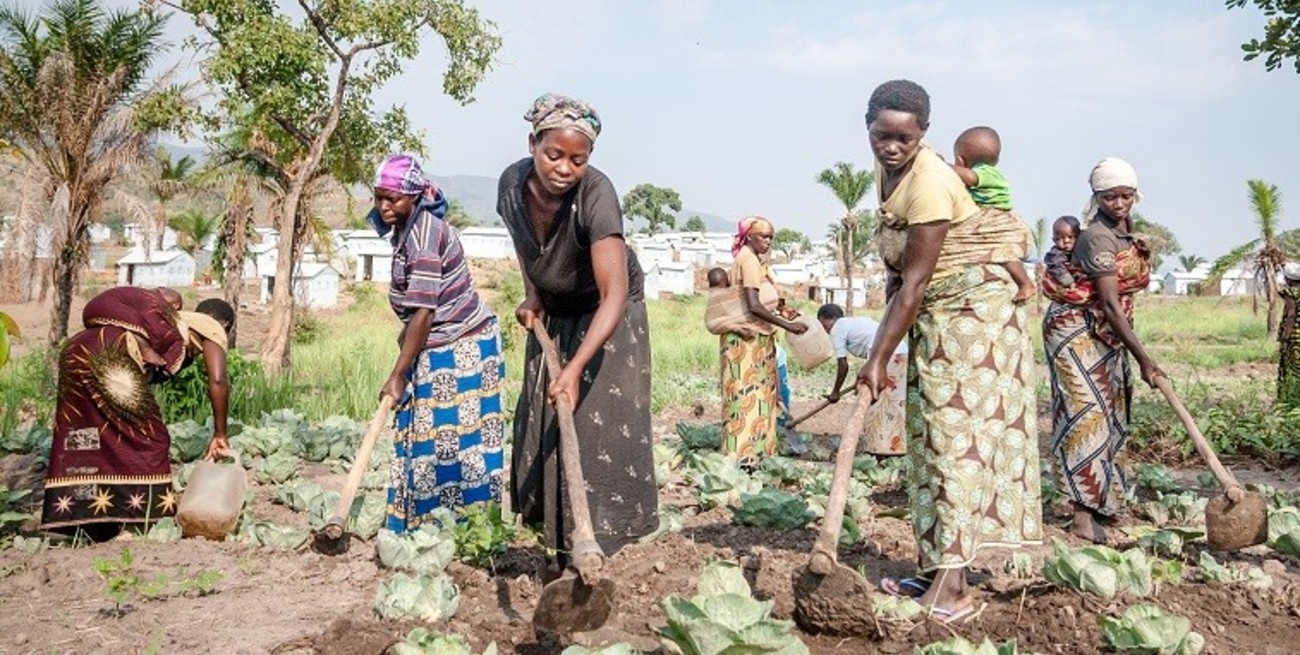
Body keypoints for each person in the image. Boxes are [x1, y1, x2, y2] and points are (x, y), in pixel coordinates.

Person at [855, 80, 1041, 621]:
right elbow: (902, 270)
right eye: (881, 135)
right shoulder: (888, 169)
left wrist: (876, 358)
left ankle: (955, 588)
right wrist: (884, 349)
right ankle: (938, 568)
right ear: (867, 126)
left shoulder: (932, 181)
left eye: (905, 139)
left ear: (924, 135)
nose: (891, 147)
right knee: (929, 437)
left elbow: (915, 282)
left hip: (975, 316)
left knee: (956, 440)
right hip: (937, 309)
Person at [498, 93, 658, 569]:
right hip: (555, 308)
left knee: (595, 423)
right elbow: (527, 247)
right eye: (553, 155)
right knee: (544, 416)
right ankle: (553, 531)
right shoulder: (511, 185)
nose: (564, 168)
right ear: (533, 144)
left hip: (607, 313)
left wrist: (577, 366)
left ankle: (598, 544)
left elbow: (613, 293)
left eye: (578, 159)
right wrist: (533, 293)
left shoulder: (597, 195)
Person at [369, 154, 505, 533]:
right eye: (379, 197)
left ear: (413, 196)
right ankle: (423, 522)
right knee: (428, 436)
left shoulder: (425, 237)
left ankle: (466, 527)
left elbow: (425, 313)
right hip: (435, 341)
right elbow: (418, 313)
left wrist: (398, 375)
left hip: (463, 347)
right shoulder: (405, 228)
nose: (384, 206)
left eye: (392, 199)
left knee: (455, 442)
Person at [40, 287, 233, 540]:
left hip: (77, 348)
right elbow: (218, 381)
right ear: (225, 324)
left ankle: (84, 520)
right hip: (109, 353)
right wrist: (220, 433)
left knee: (90, 436)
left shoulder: (167, 324)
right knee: (151, 438)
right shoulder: (212, 327)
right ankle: (143, 519)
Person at [1042, 157, 1160, 545]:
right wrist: (1145, 359)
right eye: (1110, 196)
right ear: (1097, 197)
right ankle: (1081, 517)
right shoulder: (1096, 236)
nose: (1119, 203)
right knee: (1086, 414)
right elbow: (1108, 302)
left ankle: (1104, 505)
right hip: (1077, 331)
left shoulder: (1125, 231)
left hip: (1106, 334)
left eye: (1126, 195)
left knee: (1112, 414)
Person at [720, 216, 807, 466]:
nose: (767, 242)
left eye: (770, 237)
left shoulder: (753, 260)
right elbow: (753, 305)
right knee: (749, 396)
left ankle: (754, 453)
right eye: (762, 237)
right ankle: (747, 456)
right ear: (749, 237)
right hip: (748, 339)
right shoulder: (747, 260)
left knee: (760, 398)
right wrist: (787, 325)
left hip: (758, 338)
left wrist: (782, 311)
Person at [949, 126, 1037, 302]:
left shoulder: (988, 173)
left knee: (1004, 252)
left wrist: (942, 166)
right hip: (984, 215)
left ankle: (1026, 283)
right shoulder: (983, 172)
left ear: (960, 159)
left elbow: (970, 177)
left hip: (995, 215)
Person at [706, 267, 793, 426]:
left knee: (779, 394)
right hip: (754, 357)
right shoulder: (726, 302)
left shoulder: (743, 299)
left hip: (768, 351)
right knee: (760, 395)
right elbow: (713, 324)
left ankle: (782, 423)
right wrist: (737, 328)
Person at [816, 303, 906, 456]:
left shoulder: (837, 329)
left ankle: (879, 451)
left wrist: (835, 392)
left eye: (823, 324)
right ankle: (894, 448)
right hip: (901, 353)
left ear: (828, 319)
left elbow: (843, 365)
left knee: (878, 405)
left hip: (887, 357)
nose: (824, 329)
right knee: (894, 404)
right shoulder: (855, 322)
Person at [1279, 265, 1300, 407]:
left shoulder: (1290, 292)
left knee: (1292, 368)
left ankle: (1290, 397)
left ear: (1288, 278)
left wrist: (1285, 337)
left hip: (1295, 337)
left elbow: (1291, 314)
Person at [1042, 216, 1082, 289]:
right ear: (1054, 240)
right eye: (1060, 238)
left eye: (1071, 237)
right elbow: (1056, 267)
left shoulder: (1079, 250)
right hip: (1064, 284)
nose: (1066, 241)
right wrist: (1069, 282)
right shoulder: (1056, 254)